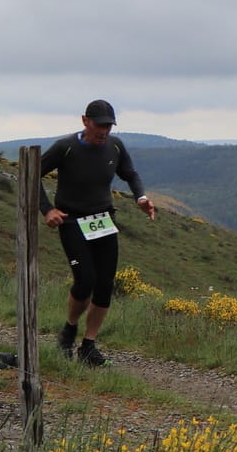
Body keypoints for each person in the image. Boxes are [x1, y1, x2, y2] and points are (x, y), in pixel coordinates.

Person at [39, 99, 157, 366]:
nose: (103, 131)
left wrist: (141, 198)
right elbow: (32, 172)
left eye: (108, 126)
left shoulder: (115, 146)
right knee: (85, 281)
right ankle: (68, 331)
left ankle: (88, 346)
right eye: (99, 125)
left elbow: (130, 173)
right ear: (85, 121)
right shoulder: (65, 147)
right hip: (72, 221)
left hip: (103, 220)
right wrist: (47, 210)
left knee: (105, 285)